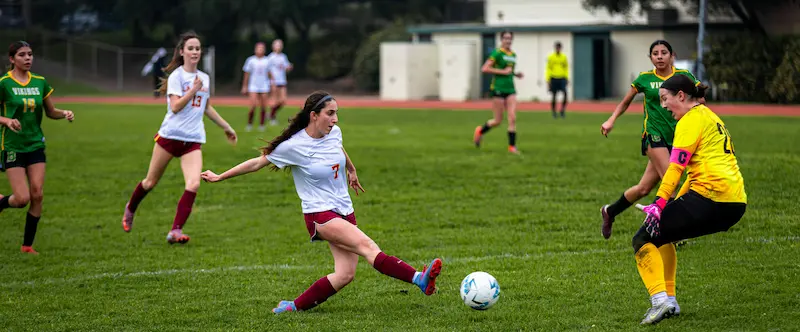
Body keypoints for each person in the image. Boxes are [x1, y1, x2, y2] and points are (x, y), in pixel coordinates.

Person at [200, 91, 443, 313]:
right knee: (369, 247)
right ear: (313, 115)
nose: (336, 119)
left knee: (345, 274)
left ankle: (293, 307)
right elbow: (257, 163)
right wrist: (220, 176)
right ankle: (419, 279)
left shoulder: (333, 132)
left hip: (344, 209)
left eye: (336, 113)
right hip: (320, 214)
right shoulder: (293, 146)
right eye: (330, 113)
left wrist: (351, 169)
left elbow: (338, 147)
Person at [633, 74, 746, 324]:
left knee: (642, 237)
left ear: (681, 96)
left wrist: (659, 203)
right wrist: (669, 206)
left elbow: (676, 167)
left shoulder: (690, 120)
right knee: (663, 235)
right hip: (735, 203)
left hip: (711, 197)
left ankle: (661, 301)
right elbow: (693, 175)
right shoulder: (710, 116)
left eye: (665, 99)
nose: (662, 105)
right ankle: (670, 302)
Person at [121, 31, 238, 244]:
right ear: (182, 52)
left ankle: (175, 231)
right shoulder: (177, 77)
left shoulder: (205, 78)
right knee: (150, 182)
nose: (195, 52)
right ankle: (130, 208)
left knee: (193, 184)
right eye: (190, 48)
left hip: (192, 140)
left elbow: (206, 107)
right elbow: (174, 107)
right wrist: (192, 90)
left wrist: (226, 127)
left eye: (197, 48)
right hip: (170, 137)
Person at [600, 40, 701, 239]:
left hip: (676, 138)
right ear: (650, 58)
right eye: (655, 53)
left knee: (643, 188)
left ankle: (610, 211)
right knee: (670, 181)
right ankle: (669, 232)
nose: (660, 56)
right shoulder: (644, 79)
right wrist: (611, 119)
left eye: (664, 52)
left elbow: (699, 98)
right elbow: (625, 101)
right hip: (653, 135)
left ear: (672, 56)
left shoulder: (684, 77)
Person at [0, 41, 75, 254]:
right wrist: (6, 121)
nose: (28, 58)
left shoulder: (40, 82)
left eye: (30, 54)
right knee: (22, 199)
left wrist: (64, 113)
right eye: (22, 55)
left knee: (38, 194)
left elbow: (50, 111)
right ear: (12, 59)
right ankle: (3, 203)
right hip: (12, 145)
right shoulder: (4, 83)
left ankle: (27, 245)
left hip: (35, 144)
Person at [473, 30, 524, 154]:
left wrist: (516, 74)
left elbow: (509, 70)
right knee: (497, 120)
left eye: (510, 38)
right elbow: (484, 68)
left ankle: (512, 147)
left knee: (512, 117)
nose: (508, 40)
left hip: (510, 89)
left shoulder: (513, 55)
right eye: (505, 38)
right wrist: (502, 72)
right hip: (498, 88)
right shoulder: (497, 53)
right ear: (501, 40)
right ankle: (480, 131)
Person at [242, 42, 272, 132]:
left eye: (262, 48)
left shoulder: (267, 60)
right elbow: (246, 74)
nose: (260, 50)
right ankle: (249, 124)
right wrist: (244, 86)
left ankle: (262, 125)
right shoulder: (251, 60)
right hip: (253, 85)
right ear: (255, 49)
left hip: (264, 85)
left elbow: (270, 73)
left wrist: (272, 83)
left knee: (263, 106)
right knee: (253, 106)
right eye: (258, 48)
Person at [266, 39, 292, 126]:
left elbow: (285, 67)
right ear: (273, 46)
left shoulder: (283, 56)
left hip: (282, 81)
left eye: (280, 45)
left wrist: (289, 67)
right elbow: (267, 70)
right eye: (277, 45)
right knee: (274, 100)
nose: (279, 47)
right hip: (274, 81)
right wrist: (272, 80)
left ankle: (270, 114)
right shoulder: (270, 57)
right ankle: (273, 118)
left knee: (282, 101)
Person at [546, 41, 569, 118]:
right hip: (553, 78)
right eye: (557, 47)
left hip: (562, 77)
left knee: (565, 94)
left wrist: (566, 78)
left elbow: (566, 68)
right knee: (554, 95)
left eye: (559, 47)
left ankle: (562, 110)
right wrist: (548, 79)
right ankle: (554, 112)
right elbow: (548, 68)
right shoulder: (551, 57)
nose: (558, 49)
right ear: (555, 48)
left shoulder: (564, 57)